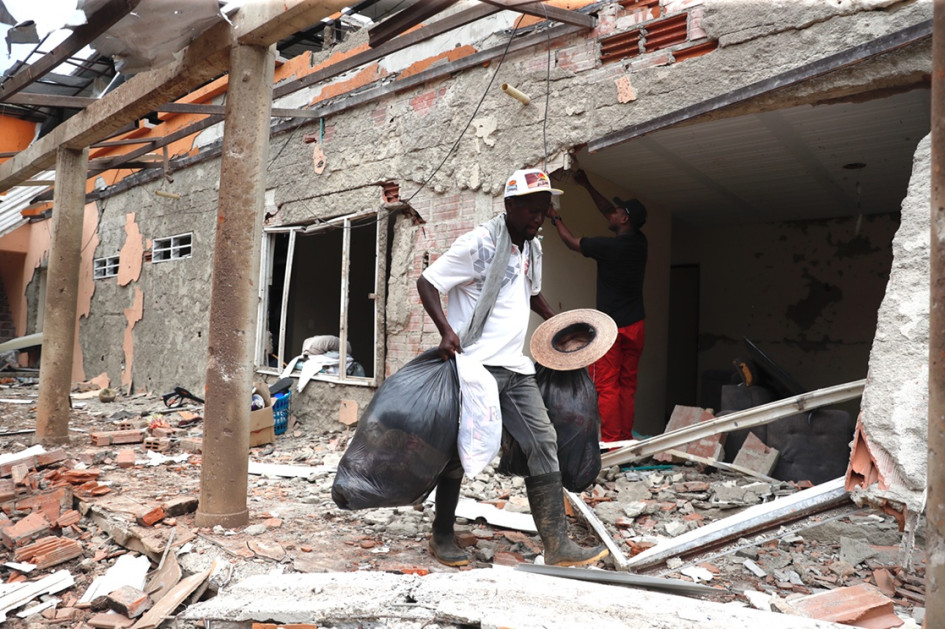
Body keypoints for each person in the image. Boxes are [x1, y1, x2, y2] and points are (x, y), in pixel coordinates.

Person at [416, 168, 609, 568]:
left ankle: (557, 545)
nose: (539, 219)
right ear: (510, 205)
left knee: (543, 442)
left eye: (544, 211)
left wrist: (558, 324)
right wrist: (446, 331)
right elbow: (427, 282)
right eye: (532, 211)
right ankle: (442, 534)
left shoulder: (532, 248)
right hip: (475, 367)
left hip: (516, 369)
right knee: (458, 452)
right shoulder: (479, 244)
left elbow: (531, 294)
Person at [546, 169, 647, 444]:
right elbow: (608, 211)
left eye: (616, 212)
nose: (610, 213)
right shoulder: (640, 242)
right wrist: (586, 184)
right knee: (627, 386)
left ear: (624, 218)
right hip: (636, 324)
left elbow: (570, 242)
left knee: (607, 386)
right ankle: (625, 439)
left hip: (611, 328)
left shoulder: (609, 247)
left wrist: (555, 216)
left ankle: (613, 443)